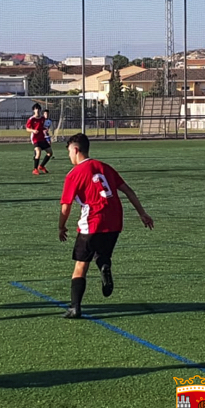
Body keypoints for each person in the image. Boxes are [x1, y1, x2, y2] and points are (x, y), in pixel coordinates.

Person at [58, 134, 153, 318]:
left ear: (76, 150)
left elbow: (66, 206)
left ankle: (74, 307)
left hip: (93, 222)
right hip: (115, 221)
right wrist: (142, 213)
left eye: (69, 151)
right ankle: (104, 266)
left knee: (80, 265)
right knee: (101, 254)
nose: (69, 156)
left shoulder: (74, 174)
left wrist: (61, 226)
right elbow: (128, 190)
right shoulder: (105, 167)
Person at [26, 104, 53, 175]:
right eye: (36, 109)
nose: (37, 110)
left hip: (42, 138)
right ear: (33, 110)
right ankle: (35, 169)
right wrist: (33, 130)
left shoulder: (42, 119)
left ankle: (41, 166)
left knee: (50, 153)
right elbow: (27, 129)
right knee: (38, 152)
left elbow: (41, 127)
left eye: (38, 109)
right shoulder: (31, 119)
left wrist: (45, 130)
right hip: (35, 139)